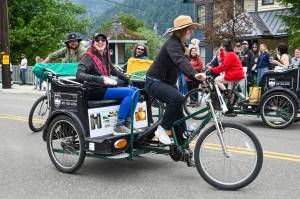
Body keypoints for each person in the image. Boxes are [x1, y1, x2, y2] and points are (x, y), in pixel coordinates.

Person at [145, 15, 202, 145]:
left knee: (178, 110)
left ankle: (181, 144)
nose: (190, 31)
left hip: (167, 83)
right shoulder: (172, 44)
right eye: (188, 29)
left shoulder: (181, 45)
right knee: (177, 99)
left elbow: (184, 63)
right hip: (154, 81)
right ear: (181, 31)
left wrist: (199, 75)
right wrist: (194, 74)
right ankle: (162, 129)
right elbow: (181, 61)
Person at [76, 33, 140, 135]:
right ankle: (119, 125)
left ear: (106, 43)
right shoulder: (88, 56)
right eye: (97, 40)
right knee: (129, 93)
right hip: (94, 90)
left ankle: (128, 123)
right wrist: (100, 79)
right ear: (93, 43)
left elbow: (113, 70)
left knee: (135, 90)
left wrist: (127, 79)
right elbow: (79, 75)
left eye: (103, 40)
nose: (100, 42)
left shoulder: (105, 55)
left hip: (104, 88)